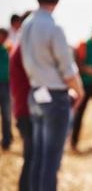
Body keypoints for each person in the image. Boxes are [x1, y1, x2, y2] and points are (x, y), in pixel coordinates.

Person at [20, 0, 84, 190]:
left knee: (38, 157)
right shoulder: (53, 27)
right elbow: (67, 70)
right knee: (51, 161)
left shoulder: (26, 24)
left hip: (35, 93)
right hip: (55, 97)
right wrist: (79, 91)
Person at [10, 45, 32, 191]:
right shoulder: (24, 51)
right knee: (32, 157)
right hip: (27, 111)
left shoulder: (21, 50)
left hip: (24, 110)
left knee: (31, 156)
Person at [0, 28, 12, 150]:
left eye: (4, 36)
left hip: (6, 85)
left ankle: (7, 140)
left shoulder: (7, 50)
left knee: (6, 114)